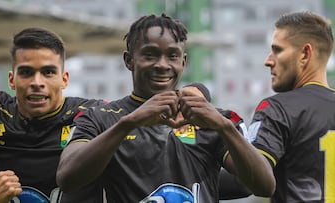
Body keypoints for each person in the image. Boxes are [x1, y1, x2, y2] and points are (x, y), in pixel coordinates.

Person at [56, 13, 275, 202]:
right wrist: (129, 123)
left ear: (183, 62)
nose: (162, 65)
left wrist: (225, 128)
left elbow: (264, 186)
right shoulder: (99, 118)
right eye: (150, 55)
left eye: (172, 56)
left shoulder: (214, 120)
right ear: (129, 60)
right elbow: (67, 178)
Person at [0, 27, 105, 203]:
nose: (37, 83)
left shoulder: (94, 115)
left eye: (48, 72)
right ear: (12, 80)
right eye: (26, 72)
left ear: (64, 79)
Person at [245, 11, 335, 202]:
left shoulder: (278, 108)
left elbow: (250, 179)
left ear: (305, 54)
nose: (268, 61)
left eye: (277, 50)